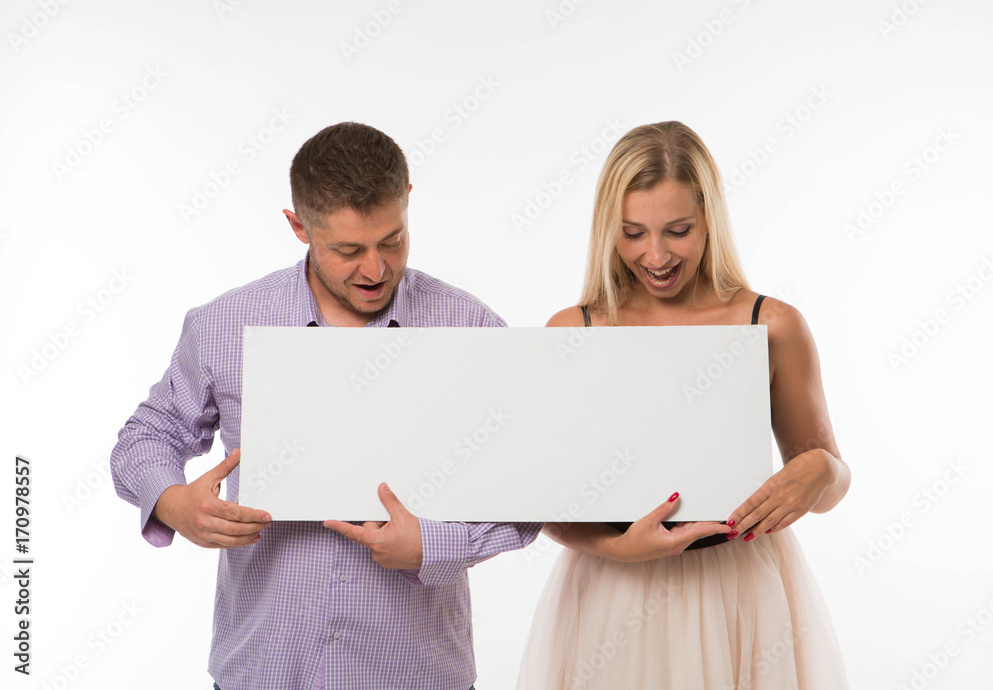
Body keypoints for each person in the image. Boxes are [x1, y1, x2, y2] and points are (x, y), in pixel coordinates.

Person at [110, 122, 540, 690]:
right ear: (299, 227)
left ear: (408, 202)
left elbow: (534, 481)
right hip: (265, 670)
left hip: (417, 674)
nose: (375, 269)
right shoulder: (223, 325)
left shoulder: (469, 327)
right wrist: (173, 503)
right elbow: (146, 437)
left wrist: (434, 545)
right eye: (348, 250)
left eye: (392, 240)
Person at [516, 121, 851, 689]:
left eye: (677, 231)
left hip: (741, 590)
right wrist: (618, 546)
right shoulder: (575, 332)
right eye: (632, 233)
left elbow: (829, 486)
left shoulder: (772, 325)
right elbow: (541, 504)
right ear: (608, 230)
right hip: (616, 589)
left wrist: (824, 469)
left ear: (709, 220)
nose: (655, 255)